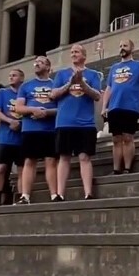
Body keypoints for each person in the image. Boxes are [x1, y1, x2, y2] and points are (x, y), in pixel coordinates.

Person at [51, 44, 103, 201]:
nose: (73, 54)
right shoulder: (61, 74)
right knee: (64, 157)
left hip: (85, 123)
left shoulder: (93, 74)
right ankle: (60, 194)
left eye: (77, 52)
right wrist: (70, 83)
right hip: (64, 122)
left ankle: (88, 193)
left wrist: (82, 84)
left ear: (84, 56)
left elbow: (97, 96)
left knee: (84, 157)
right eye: (72, 52)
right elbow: (53, 94)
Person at [101, 39, 139, 174]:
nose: (122, 48)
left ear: (132, 48)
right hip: (114, 107)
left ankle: (127, 168)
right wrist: (104, 106)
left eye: (125, 46)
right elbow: (109, 88)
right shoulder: (114, 68)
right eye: (120, 46)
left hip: (130, 107)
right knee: (116, 139)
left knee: (128, 137)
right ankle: (116, 169)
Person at [15, 56, 58, 204]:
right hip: (30, 129)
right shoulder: (26, 86)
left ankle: (54, 195)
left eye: (41, 62)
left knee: (51, 160)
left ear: (48, 67)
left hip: (50, 129)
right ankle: (25, 196)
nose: (37, 64)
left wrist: (46, 113)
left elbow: (62, 108)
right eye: (36, 62)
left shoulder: (55, 85)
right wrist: (33, 110)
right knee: (29, 161)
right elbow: (18, 108)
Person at [0, 69, 25, 205]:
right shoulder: (3, 93)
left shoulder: (25, 93)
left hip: (21, 138)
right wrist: (10, 121)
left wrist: (20, 123)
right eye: (10, 75)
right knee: (1, 168)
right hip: (5, 138)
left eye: (14, 75)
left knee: (21, 169)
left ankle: (22, 197)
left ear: (21, 78)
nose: (11, 77)